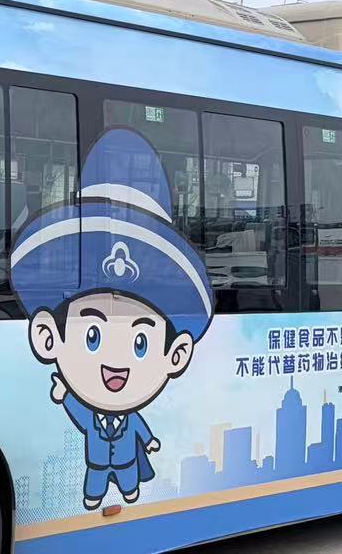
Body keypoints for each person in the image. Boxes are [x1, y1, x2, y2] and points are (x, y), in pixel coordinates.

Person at [11, 128, 216, 510]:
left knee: (125, 475)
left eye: (141, 342)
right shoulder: (93, 410)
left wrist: (149, 441)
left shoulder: (128, 416)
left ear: (176, 354)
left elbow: (137, 426)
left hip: (123, 460)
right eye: (92, 334)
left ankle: (127, 492)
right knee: (96, 479)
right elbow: (79, 411)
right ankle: (99, 495)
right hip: (98, 463)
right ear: (47, 335)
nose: (116, 359)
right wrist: (64, 395)